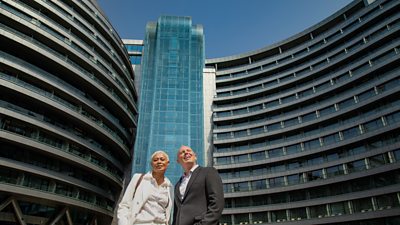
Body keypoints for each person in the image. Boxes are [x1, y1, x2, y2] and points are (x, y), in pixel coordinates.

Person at [117, 150, 173, 225]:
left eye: (162, 159)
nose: (159, 162)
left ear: (167, 163)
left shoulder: (169, 186)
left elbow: (168, 213)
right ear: (151, 164)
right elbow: (124, 205)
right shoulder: (138, 178)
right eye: (155, 160)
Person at [173, 145, 224, 225]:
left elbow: (217, 203)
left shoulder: (208, 172)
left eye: (189, 151)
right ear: (178, 161)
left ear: (195, 156)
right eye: (182, 152)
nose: (186, 152)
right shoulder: (177, 185)